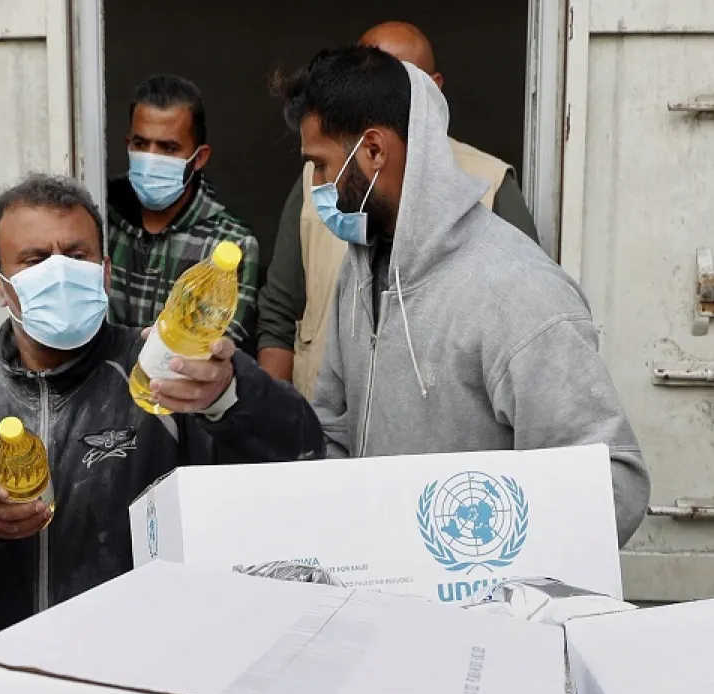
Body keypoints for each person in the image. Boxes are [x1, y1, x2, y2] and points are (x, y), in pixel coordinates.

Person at [0, 174, 323, 636]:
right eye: (36, 260)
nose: (60, 274)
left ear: (104, 272)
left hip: (141, 660)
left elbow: (300, 455)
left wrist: (230, 394)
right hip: (0, 664)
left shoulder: (167, 375)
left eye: (76, 255)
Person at [275, 47, 649, 545]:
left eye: (321, 166)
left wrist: (480, 564)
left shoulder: (516, 289)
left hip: (478, 591)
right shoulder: (361, 272)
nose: (316, 185)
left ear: (374, 151)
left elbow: (613, 485)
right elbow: (335, 432)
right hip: (381, 584)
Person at [258, 21, 540, 395]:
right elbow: (279, 314)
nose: (369, 94)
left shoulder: (496, 200)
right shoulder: (351, 247)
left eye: (392, 81)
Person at [107, 74, 259, 341]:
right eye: (141, 144)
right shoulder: (100, 217)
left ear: (199, 158)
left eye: (168, 148)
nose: (151, 158)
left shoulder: (230, 244)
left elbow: (217, 347)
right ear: (128, 145)